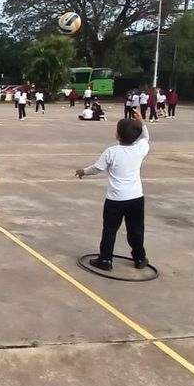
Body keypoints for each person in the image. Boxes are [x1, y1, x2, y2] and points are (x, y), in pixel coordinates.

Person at [75, 108, 151, 271]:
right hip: (136, 198)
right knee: (136, 230)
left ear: (118, 135)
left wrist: (83, 172)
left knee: (110, 230)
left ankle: (105, 259)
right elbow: (146, 138)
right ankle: (139, 258)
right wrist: (142, 122)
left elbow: (97, 168)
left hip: (115, 200)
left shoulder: (112, 152)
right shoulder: (140, 149)